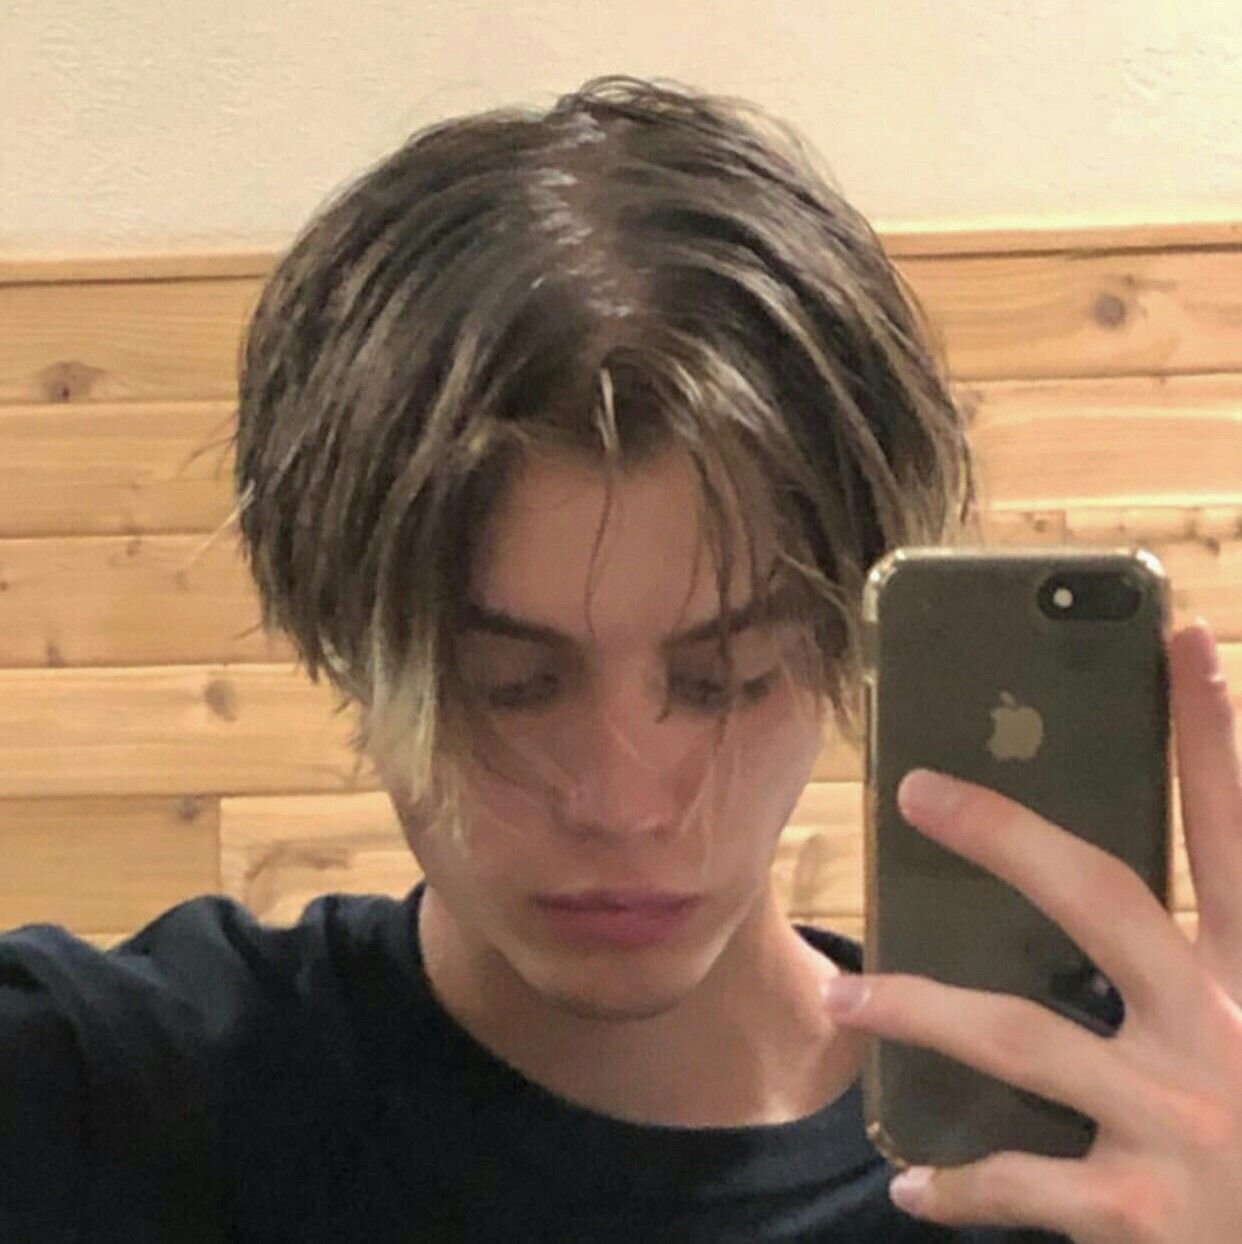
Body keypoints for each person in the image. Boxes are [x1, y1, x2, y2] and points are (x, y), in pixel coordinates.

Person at [1, 76, 1238, 1243]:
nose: (626, 802)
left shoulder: (1097, 1174)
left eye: (724, 677)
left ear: (841, 645)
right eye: (510, 685)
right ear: (347, 647)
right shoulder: (116, 1098)